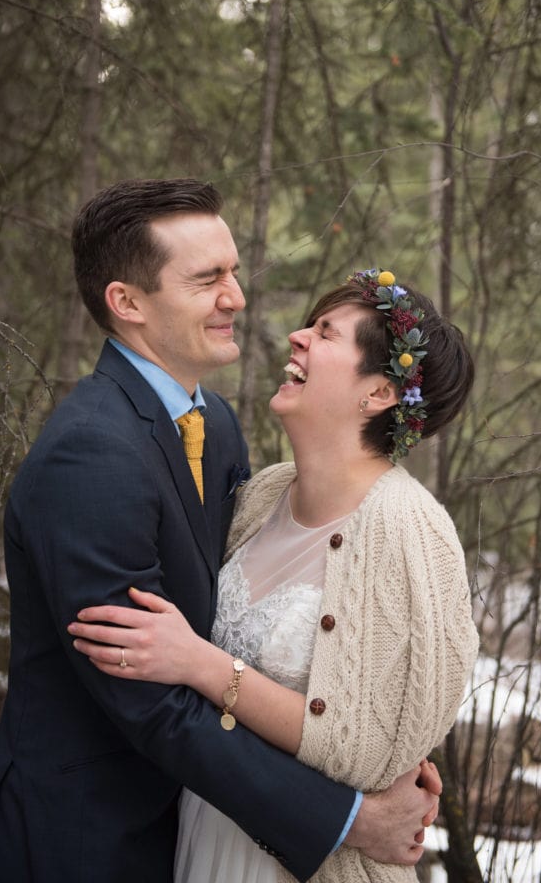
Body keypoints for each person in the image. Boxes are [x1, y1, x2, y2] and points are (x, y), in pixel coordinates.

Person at [0, 183, 441, 883]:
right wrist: (348, 817)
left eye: (235, 272)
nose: (237, 299)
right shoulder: (90, 454)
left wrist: (385, 745)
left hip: (195, 830)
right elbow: (150, 699)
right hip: (84, 843)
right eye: (207, 279)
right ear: (127, 303)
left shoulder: (215, 426)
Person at [68, 267, 480, 883]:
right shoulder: (264, 494)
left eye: (326, 332)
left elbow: (365, 746)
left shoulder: (410, 530)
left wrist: (198, 663)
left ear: (379, 394)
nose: (297, 337)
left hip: (310, 862)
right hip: (210, 825)